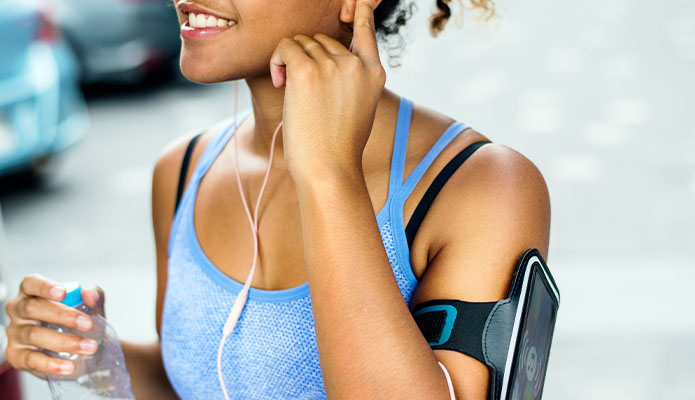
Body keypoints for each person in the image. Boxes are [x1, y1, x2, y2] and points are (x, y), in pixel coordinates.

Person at [4, 0, 551, 398]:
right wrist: (99, 357)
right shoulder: (182, 170)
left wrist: (330, 176)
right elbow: (200, 384)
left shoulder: (481, 185)